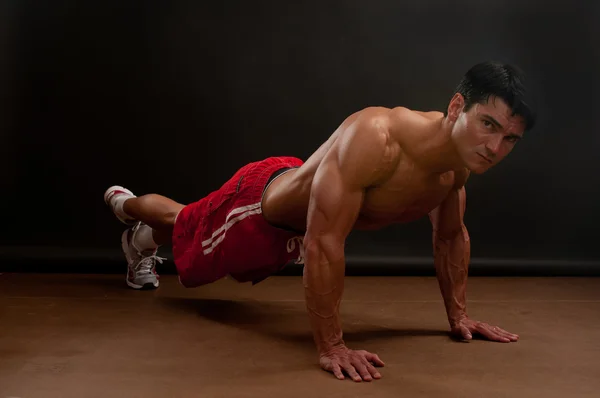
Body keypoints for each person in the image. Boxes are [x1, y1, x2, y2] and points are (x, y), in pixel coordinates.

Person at [103, 61, 536, 382]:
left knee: (189, 227)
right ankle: (128, 209)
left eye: (509, 139)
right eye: (487, 125)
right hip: (258, 212)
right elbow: (324, 241)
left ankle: (142, 232)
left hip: (303, 217)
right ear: (457, 106)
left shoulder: (457, 166)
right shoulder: (378, 136)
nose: (495, 147)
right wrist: (332, 346)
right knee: (186, 224)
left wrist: (458, 317)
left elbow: (450, 236)